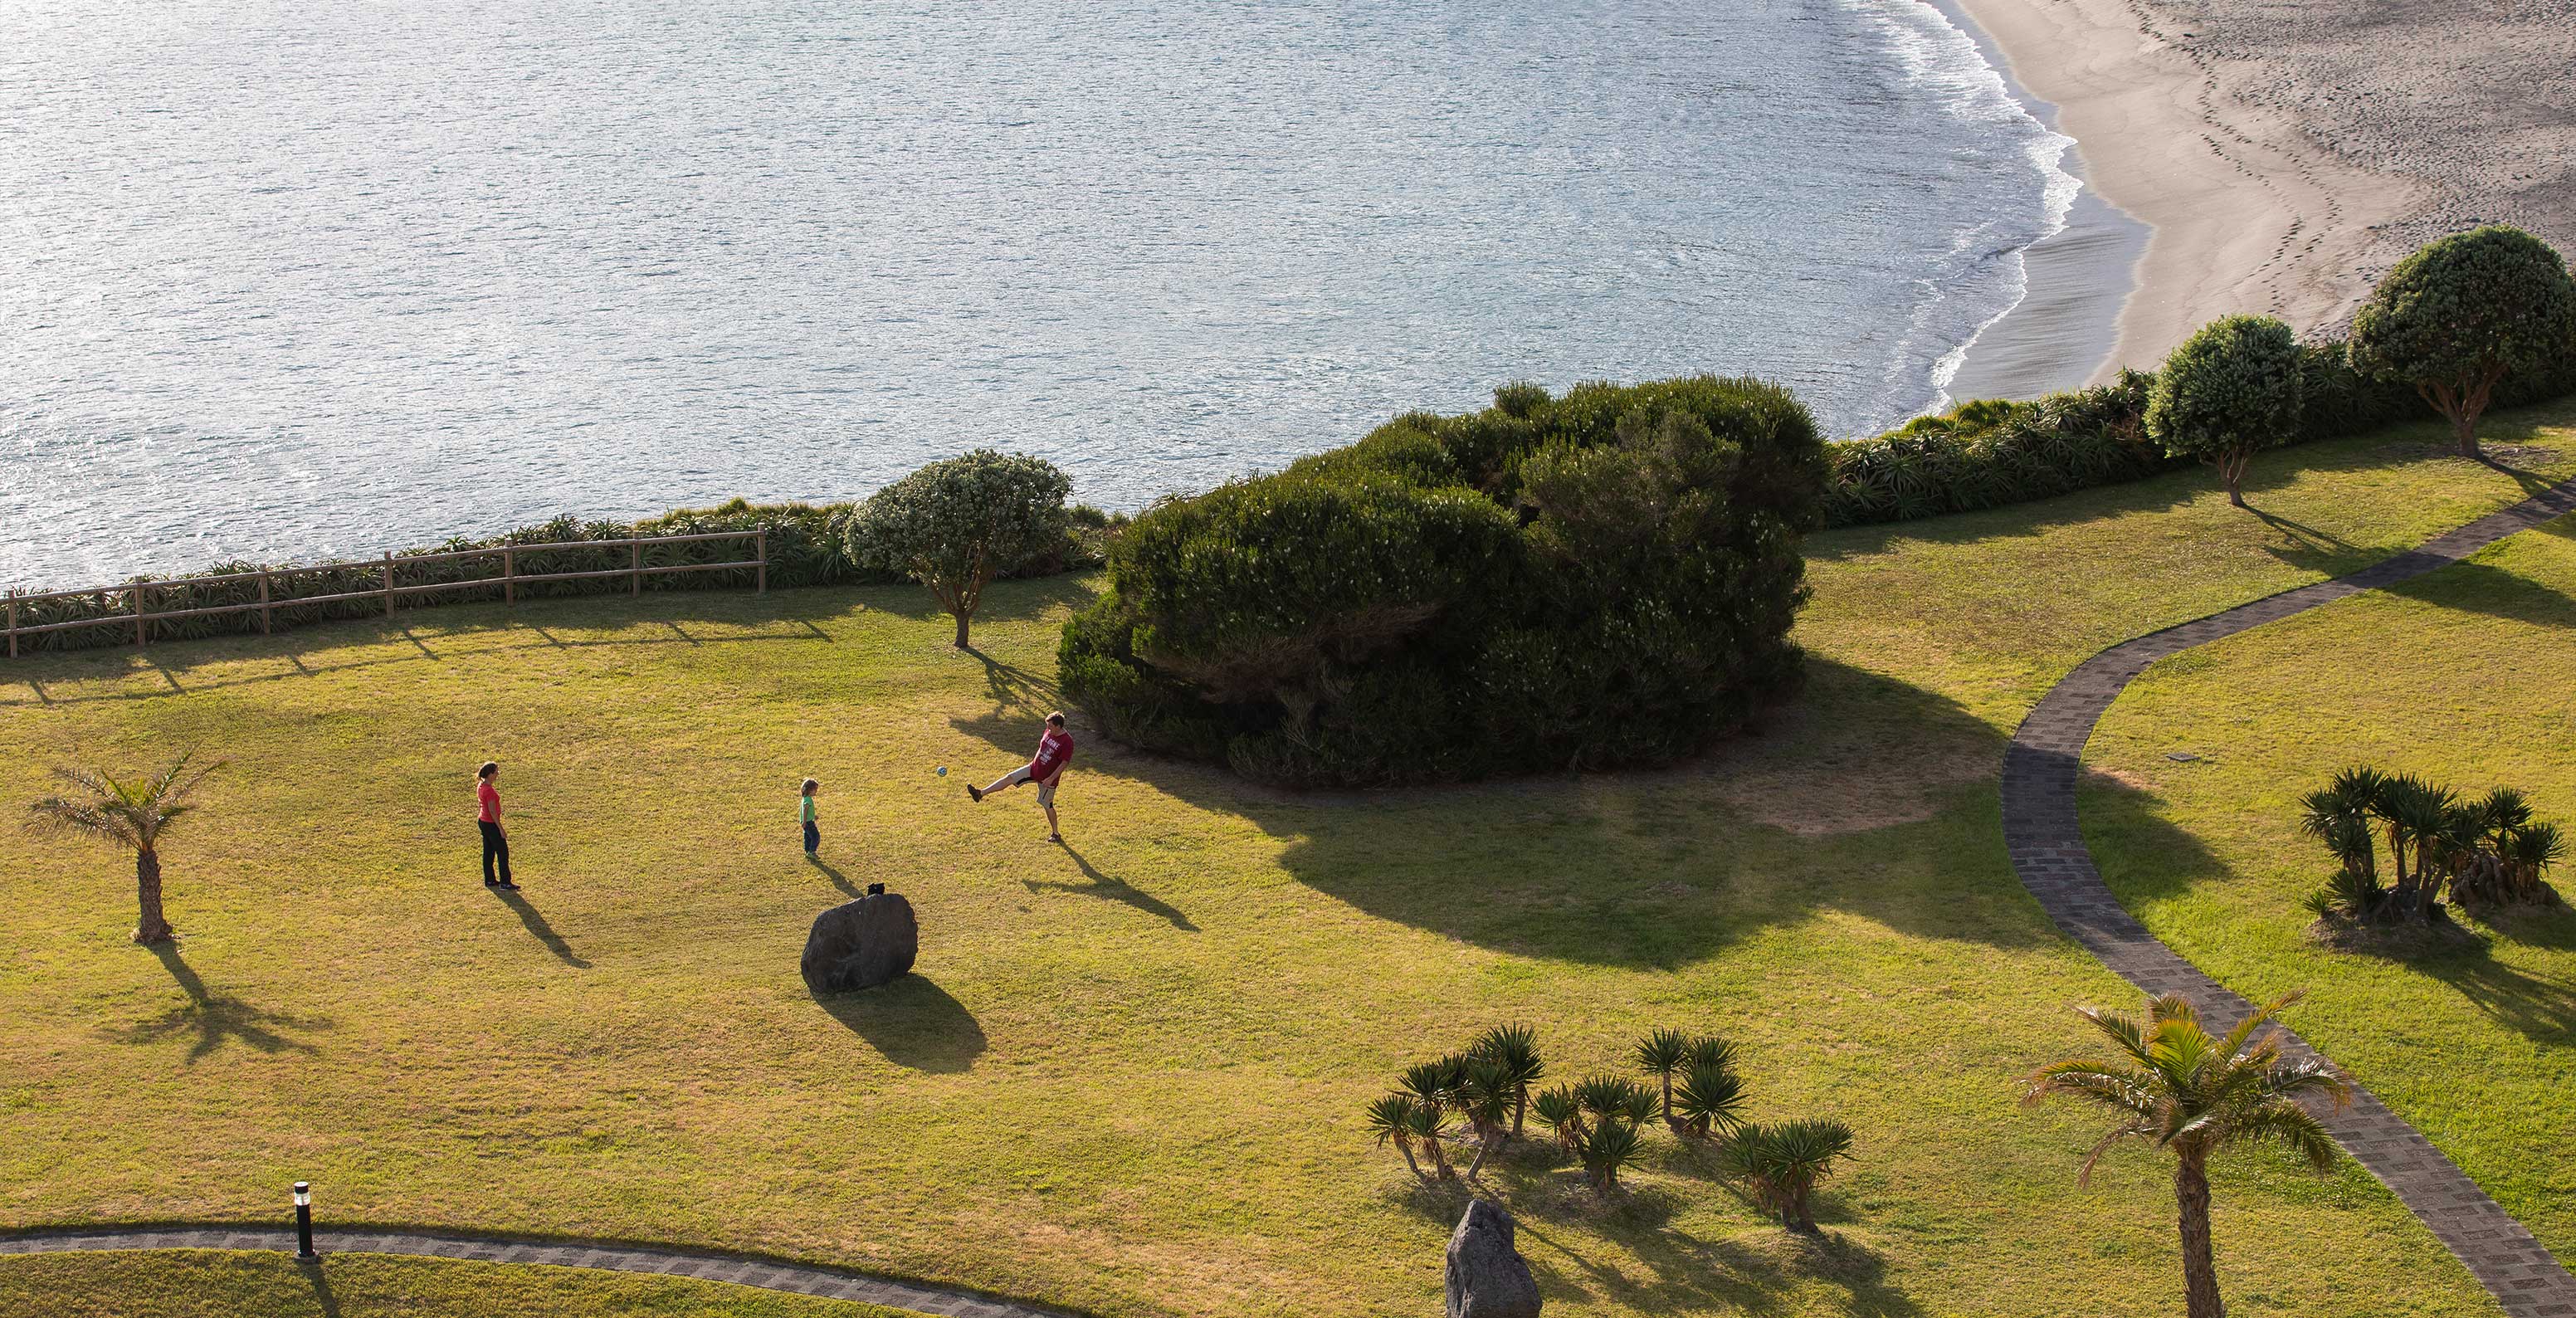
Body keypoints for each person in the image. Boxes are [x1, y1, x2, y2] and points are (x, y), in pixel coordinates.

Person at [969, 712, 1073, 842]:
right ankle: (980, 793)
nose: (1048, 728)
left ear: (1058, 726)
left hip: (1047, 779)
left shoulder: (1067, 742)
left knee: (1047, 805)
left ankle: (1056, 834)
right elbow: (1042, 748)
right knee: (1010, 778)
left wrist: (1051, 778)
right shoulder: (1049, 731)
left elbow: (1064, 763)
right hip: (1034, 768)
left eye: (1050, 726)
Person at [476, 761, 516, 890]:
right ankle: (505, 882)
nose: (497, 774)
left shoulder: (481, 786)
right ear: (489, 774)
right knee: (502, 852)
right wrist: (501, 829)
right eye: (496, 772)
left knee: (488, 852)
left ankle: (490, 880)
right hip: (491, 824)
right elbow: (493, 811)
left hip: (483, 821)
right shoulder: (490, 791)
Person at [800, 778, 822, 857]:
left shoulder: (805, 798)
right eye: (815, 790)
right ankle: (812, 851)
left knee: (808, 836)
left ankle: (807, 850)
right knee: (816, 837)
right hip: (808, 822)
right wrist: (805, 821)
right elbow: (805, 811)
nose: (816, 792)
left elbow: (807, 811)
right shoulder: (808, 800)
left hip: (808, 821)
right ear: (810, 790)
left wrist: (813, 816)